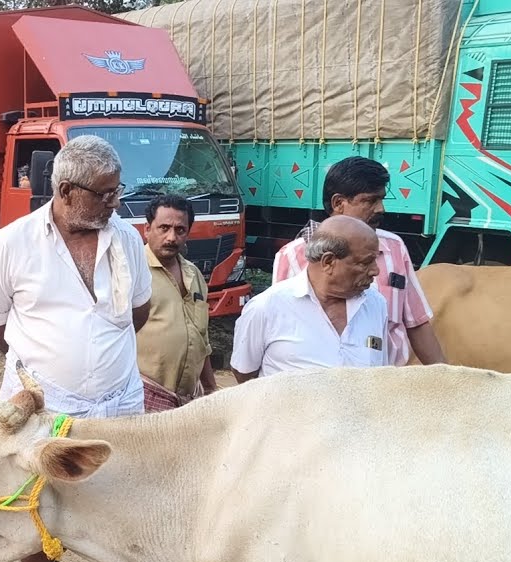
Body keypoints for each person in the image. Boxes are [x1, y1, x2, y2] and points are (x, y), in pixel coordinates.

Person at [0, 134, 171, 562]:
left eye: (118, 192)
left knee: (122, 532)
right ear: (65, 192)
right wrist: (44, 372)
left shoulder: (127, 239)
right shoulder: (13, 243)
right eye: (106, 194)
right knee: (37, 530)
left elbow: (136, 314)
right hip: (40, 414)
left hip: (116, 407)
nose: (117, 203)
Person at [272, 156, 446, 366]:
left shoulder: (394, 248)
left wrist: (448, 381)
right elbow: (277, 327)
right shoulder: (293, 257)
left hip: (385, 385)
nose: (381, 208)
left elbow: (416, 323)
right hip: (317, 388)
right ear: (338, 203)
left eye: (381, 199)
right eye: (370, 200)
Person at [233, 215, 389, 381]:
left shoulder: (375, 304)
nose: (375, 271)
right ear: (328, 262)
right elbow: (244, 376)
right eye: (366, 262)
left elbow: (380, 375)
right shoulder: (266, 307)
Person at [136, 194, 217, 410]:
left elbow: (201, 339)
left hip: (188, 402)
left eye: (180, 230)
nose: (172, 237)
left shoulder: (195, 275)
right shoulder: (133, 272)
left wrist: (210, 389)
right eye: (164, 228)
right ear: (147, 229)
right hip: (143, 397)